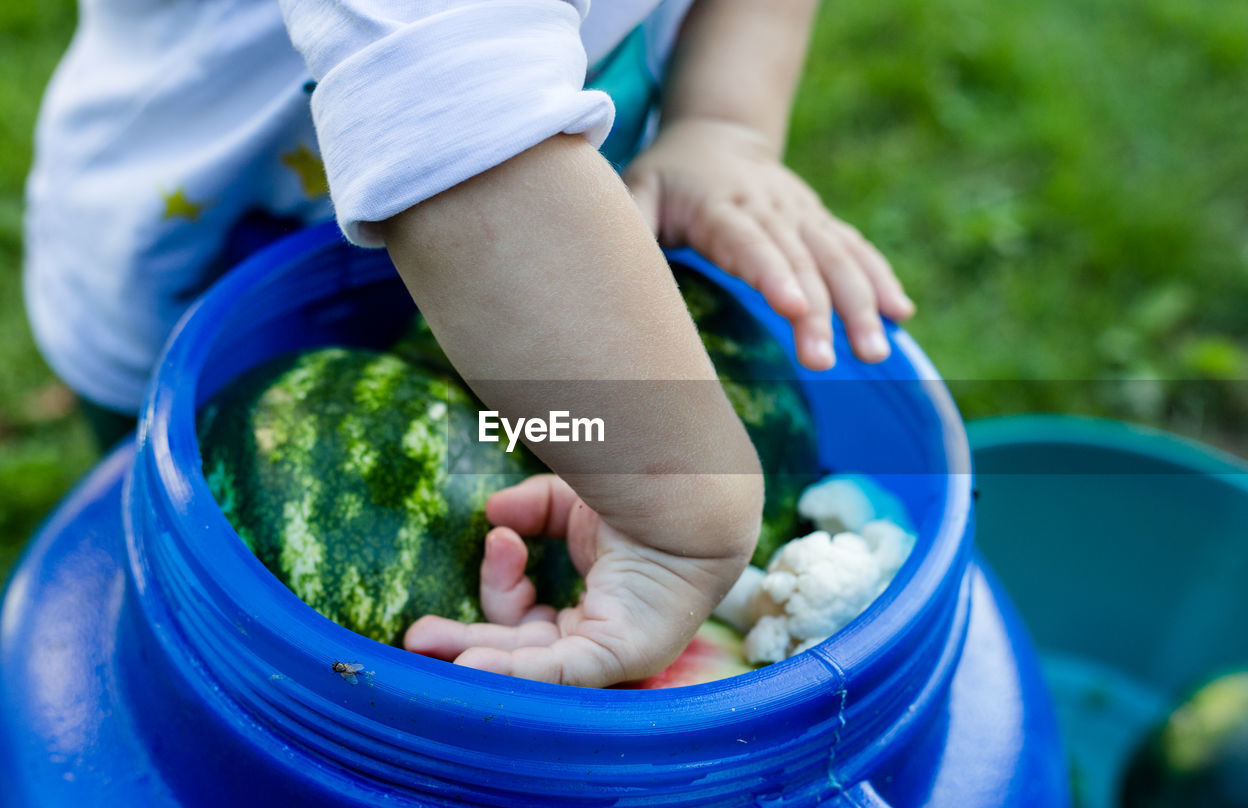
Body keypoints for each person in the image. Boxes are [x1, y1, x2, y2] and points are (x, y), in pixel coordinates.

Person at [24, 0, 914, 687]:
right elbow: (455, 110)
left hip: (552, 279)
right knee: (178, 531)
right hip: (206, 257)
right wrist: (681, 513)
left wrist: (722, 122)